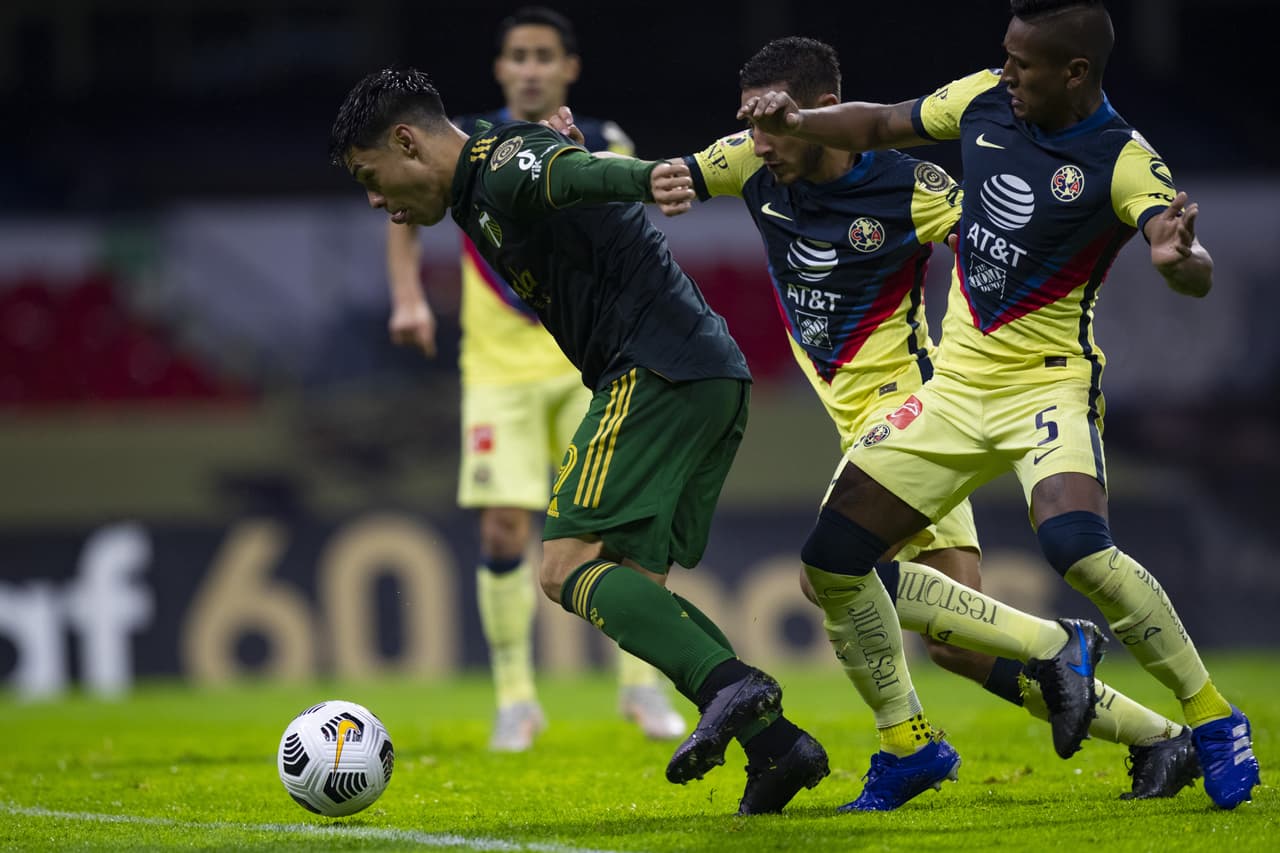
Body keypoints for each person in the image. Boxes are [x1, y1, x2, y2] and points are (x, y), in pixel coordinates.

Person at [738, 1, 1259, 810]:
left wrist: (1178, 256)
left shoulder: (1122, 158)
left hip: (1048, 384)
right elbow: (879, 123)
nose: (1006, 70)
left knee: (1078, 551)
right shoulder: (982, 97)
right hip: (954, 389)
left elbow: (1179, 248)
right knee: (830, 565)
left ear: (1075, 72)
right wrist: (801, 117)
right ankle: (933, 730)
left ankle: (1214, 718)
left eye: (1023, 62)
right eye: (1006, 55)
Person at [331, 67, 830, 815]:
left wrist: (651, 177)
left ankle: (734, 688)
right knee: (631, 580)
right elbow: (562, 181)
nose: (378, 202)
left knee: (565, 567)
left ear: (407, 141)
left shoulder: (498, 166)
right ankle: (778, 745)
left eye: (373, 178)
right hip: (702, 373)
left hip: (655, 369)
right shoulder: (482, 189)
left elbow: (571, 174)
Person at [383, 6, 682, 752]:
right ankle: (516, 698)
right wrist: (410, 297)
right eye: (518, 55)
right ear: (500, 68)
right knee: (503, 524)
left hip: (586, 357)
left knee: (618, 524)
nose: (530, 68)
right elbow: (402, 210)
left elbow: (623, 230)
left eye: (544, 55)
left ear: (568, 68)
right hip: (498, 369)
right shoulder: (466, 143)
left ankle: (641, 689)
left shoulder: (607, 142)